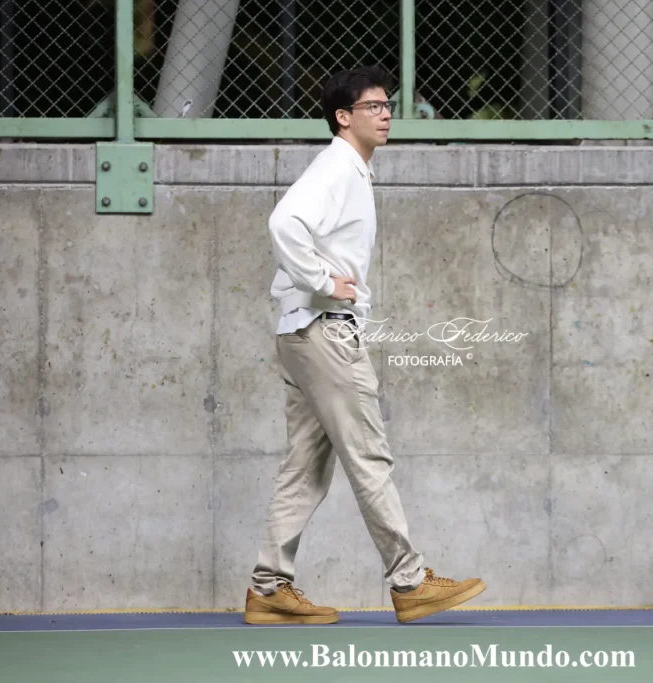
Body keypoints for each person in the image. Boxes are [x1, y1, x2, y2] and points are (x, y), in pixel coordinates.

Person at [244, 65, 486, 625]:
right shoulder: (337, 167)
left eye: (387, 105)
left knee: (305, 466)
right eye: (372, 106)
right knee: (369, 455)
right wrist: (324, 282)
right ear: (342, 117)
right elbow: (284, 222)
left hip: (303, 333)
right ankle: (410, 580)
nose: (385, 114)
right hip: (325, 331)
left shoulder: (351, 170)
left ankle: (268, 588)